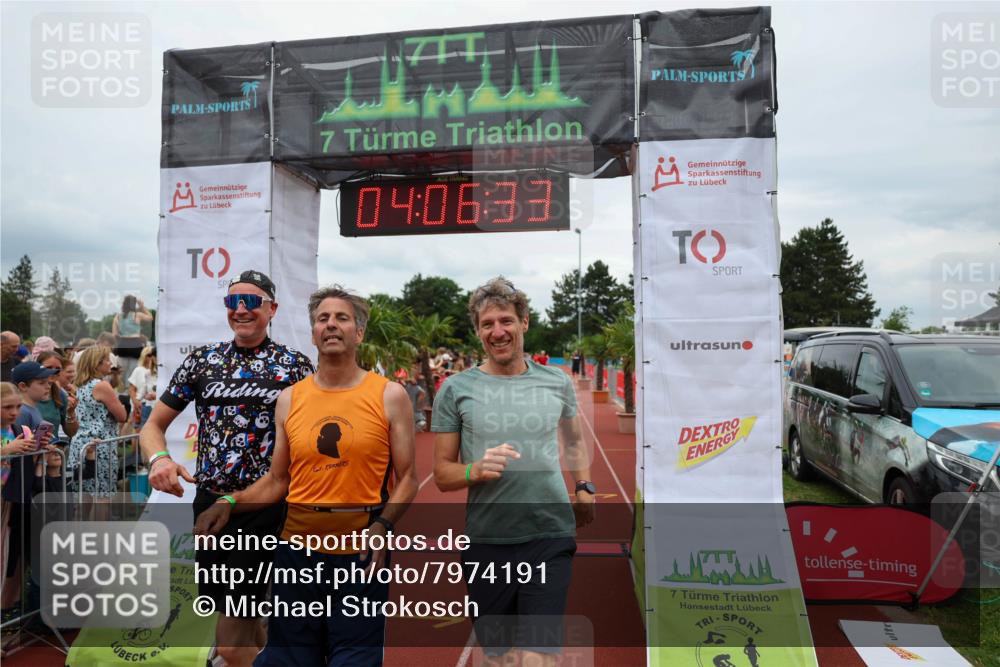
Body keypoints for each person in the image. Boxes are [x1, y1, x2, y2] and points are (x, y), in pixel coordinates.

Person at [195, 285, 418, 666]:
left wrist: (384, 525)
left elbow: (409, 477)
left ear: (358, 333)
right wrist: (229, 502)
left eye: (342, 318)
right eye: (322, 319)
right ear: (313, 333)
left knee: (354, 661)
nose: (331, 325)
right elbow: (277, 480)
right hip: (296, 553)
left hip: (360, 554)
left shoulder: (389, 395)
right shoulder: (290, 399)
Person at [140, 269, 313, 667]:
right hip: (210, 507)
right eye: (233, 301)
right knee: (244, 621)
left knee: (233, 643)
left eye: (252, 301)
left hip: (265, 505)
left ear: (272, 309)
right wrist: (159, 459)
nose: (241, 309)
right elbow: (152, 426)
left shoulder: (294, 366)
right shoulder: (203, 361)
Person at [432, 277, 595, 666]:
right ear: (478, 331)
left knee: (540, 654)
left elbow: (574, 441)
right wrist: (474, 470)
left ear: (524, 321)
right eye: (487, 324)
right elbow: (441, 474)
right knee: (498, 657)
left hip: (549, 534)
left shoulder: (556, 382)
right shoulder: (455, 389)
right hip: (487, 540)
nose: (497, 331)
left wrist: (584, 486)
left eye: (505, 320)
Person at [2, 364, 57, 616]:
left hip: (10, 499)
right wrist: (6, 450)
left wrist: (40, 448)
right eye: (7, 408)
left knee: (9, 557)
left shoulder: (17, 429)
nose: (15, 412)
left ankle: (7, 605)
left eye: (17, 407)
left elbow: (26, 459)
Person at [67, 346, 127, 496]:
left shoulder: (79, 385)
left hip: (80, 444)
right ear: (96, 363)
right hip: (99, 445)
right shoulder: (101, 385)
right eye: (106, 360)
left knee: (82, 497)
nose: (110, 363)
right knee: (102, 497)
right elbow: (122, 416)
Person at [35, 352, 79, 441]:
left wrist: (71, 413)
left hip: (53, 448)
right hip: (30, 448)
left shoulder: (60, 394)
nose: (53, 371)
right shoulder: (27, 392)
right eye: (49, 367)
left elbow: (71, 432)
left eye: (58, 369)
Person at [113, 295, 153, 379]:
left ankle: (122, 386)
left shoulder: (118, 316)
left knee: (121, 372)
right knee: (134, 372)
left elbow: (115, 334)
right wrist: (142, 307)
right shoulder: (137, 315)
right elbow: (150, 317)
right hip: (135, 344)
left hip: (122, 344)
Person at [127, 346, 157, 428]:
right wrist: (136, 402)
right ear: (144, 356)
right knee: (138, 428)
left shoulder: (155, 371)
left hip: (153, 405)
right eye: (148, 355)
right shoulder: (138, 370)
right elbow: (131, 389)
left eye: (153, 355)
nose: (151, 357)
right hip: (141, 404)